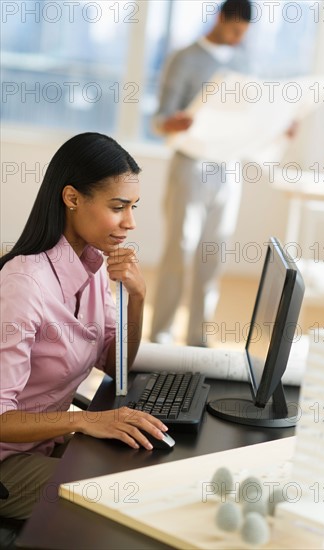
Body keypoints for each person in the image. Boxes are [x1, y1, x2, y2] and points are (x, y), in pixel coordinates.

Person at [0, 132, 169, 520]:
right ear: (72, 198)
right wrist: (87, 420)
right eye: (118, 206)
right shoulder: (24, 284)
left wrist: (137, 297)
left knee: (143, 469)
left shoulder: (93, 263)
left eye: (133, 207)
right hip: (8, 464)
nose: (130, 222)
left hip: (48, 443)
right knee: (123, 498)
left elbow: (115, 364)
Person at [150, 0, 253, 347]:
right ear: (221, 18)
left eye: (245, 34)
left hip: (229, 168)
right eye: (236, 30)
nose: (239, 38)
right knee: (180, 248)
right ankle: (160, 334)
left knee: (214, 252)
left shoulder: (242, 60)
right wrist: (176, 122)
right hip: (191, 165)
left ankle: (197, 337)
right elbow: (159, 120)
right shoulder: (185, 58)